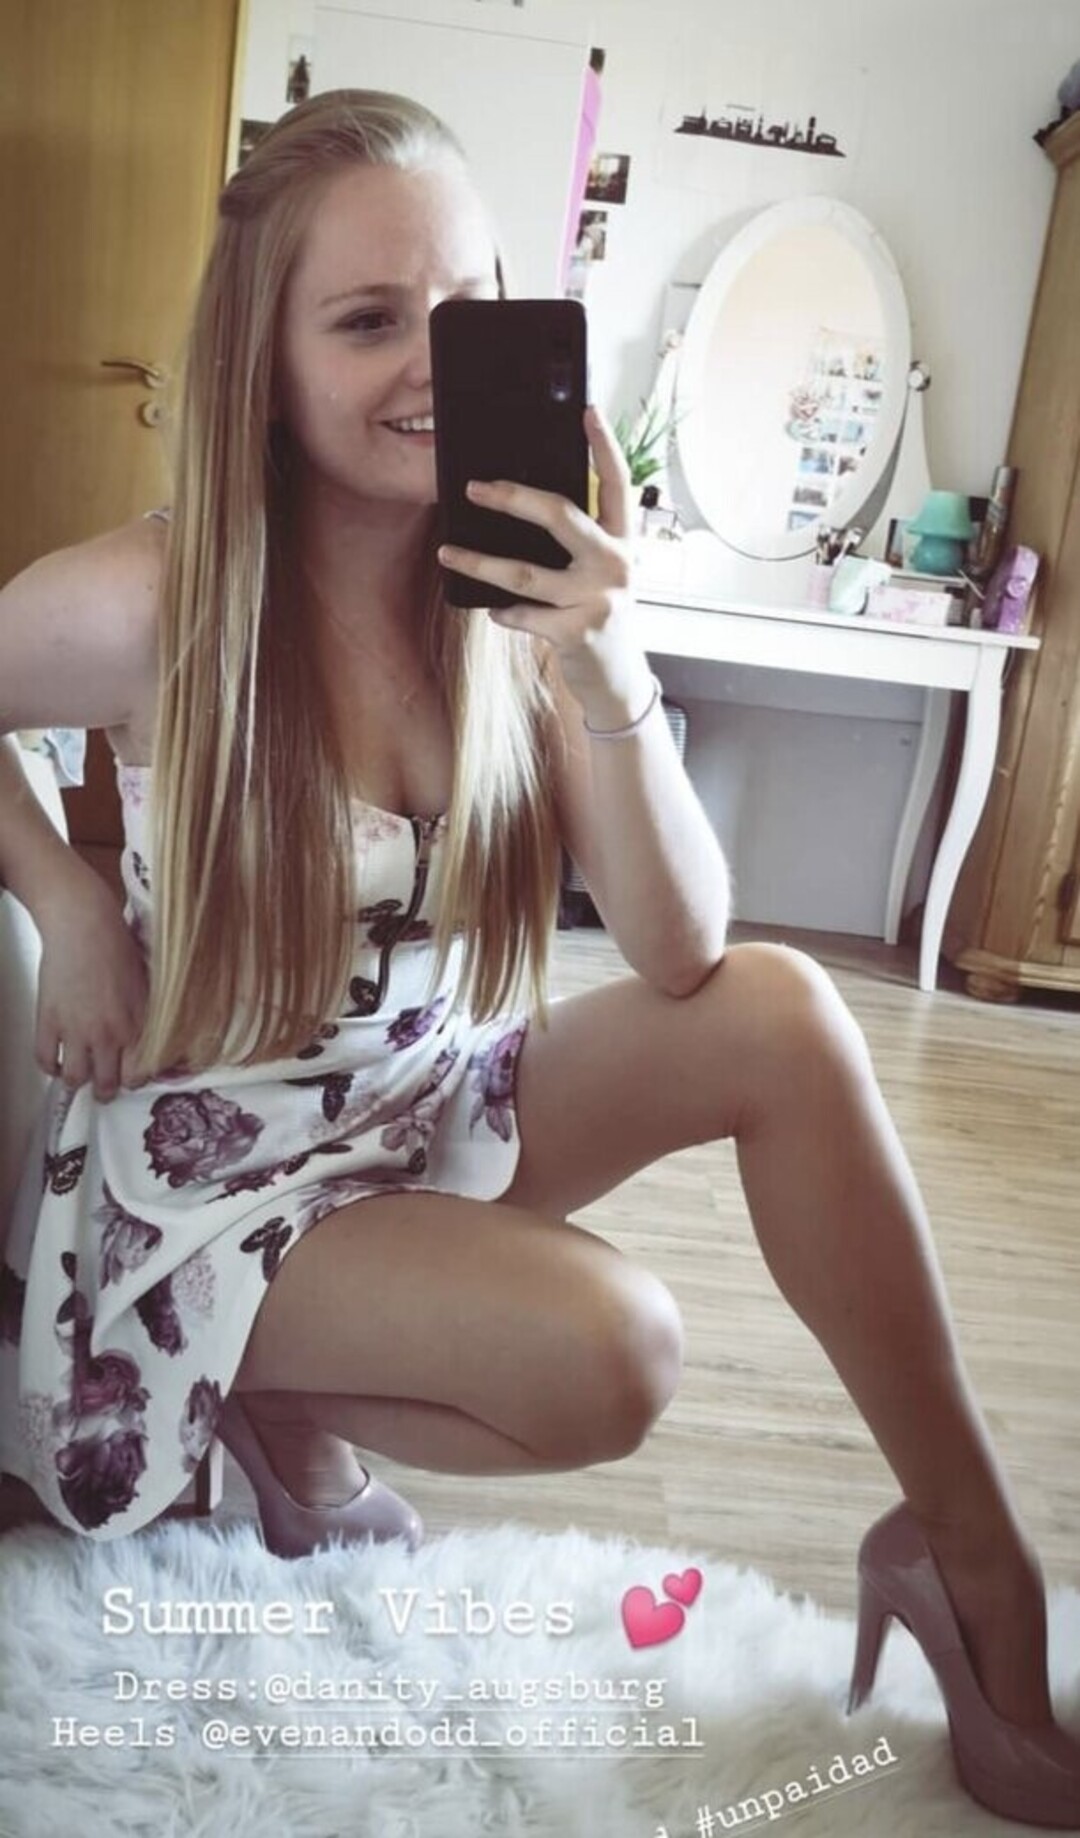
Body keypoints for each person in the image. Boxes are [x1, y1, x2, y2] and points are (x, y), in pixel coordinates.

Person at [0, 89, 1076, 1826]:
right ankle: (247, 1398)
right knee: (615, 1350)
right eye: (367, 320)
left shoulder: (515, 591)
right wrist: (60, 898)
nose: (429, 363)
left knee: (786, 1010)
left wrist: (606, 648)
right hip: (214, 1187)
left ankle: (967, 1547)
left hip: (424, 1107)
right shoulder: (165, 599)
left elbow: (684, 945)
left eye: (465, 307)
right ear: (261, 365)